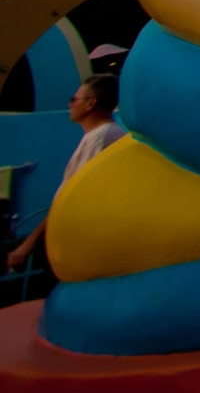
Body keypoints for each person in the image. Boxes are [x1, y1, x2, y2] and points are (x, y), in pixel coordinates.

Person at [5, 71, 122, 279]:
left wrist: (29, 243)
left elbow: (71, 198)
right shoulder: (105, 134)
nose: (70, 104)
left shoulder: (100, 137)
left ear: (91, 103)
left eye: (74, 99)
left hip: (76, 236)